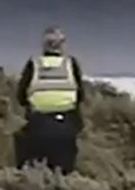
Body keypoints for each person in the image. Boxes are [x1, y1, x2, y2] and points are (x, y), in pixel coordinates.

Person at [14, 26, 86, 174]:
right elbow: (80, 96)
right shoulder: (70, 64)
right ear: (62, 45)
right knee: (66, 171)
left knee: (25, 152)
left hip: (38, 126)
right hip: (66, 127)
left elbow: (21, 97)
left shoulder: (34, 64)